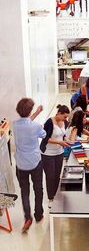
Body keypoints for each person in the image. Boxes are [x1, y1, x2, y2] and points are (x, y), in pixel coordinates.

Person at [12, 98, 46, 233]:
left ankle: (28, 218)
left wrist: (36, 112)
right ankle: (38, 214)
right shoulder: (36, 126)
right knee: (38, 189)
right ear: (30, 110)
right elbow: (43, 134)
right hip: (35, 162)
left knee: (24, 192)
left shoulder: (14, 125)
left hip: (21, 164)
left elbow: (26, 122)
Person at [40, 104, 70, 207]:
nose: (66, 119)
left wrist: (67, 140)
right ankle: (50, 197)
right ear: (59, 113)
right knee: (50, 176)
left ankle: (56, 195)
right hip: (48, 154)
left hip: (59, 153)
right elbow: (45, 138)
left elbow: (64, 135)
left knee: (57, 175)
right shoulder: (49, 122)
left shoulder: (65, 122)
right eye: (64, 116)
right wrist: (59, 142)